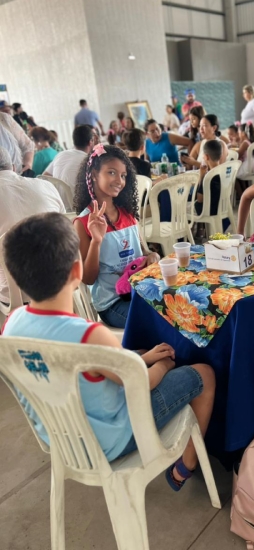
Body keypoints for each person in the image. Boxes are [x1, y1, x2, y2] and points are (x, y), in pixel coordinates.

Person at [2, 213, 215, 488]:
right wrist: (163, 365)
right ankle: (185, 467)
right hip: (112, 442)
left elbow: (94, 364)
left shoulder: (11, 325)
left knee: (140, 353)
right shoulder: (91, 336)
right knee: (205, 373)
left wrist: (143, 358)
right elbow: (142, 383)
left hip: (60, 441)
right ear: (77, 271)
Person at [73, 144, 160, 328]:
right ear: (94, 174)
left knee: (177, 306)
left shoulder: (128, 214)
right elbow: (88, 279)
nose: (119, 181)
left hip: (140, 291)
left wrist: (152, 256)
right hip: (112, 303)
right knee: (158, 319)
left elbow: (144, 252)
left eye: (123, 175)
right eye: (111, 172)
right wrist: (96, 241)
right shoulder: (83, 222)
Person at [0, 146, 64, 305]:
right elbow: (66, 231)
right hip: (61, 280)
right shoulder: (46, 186)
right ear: (13, 167)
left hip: (14, 294)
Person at [44, 125, 95, 193]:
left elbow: (44, 177)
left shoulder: (60, 155)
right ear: (90, 142)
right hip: (77, 199)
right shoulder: (90, 161)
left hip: (57, 198)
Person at [195, 139, 222, 216]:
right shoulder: (224, 171)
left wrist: (201, 176)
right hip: (221, 207)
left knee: (193, 203)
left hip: (209, 211)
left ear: (206, 157)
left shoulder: (208, 177)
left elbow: (199, 199)